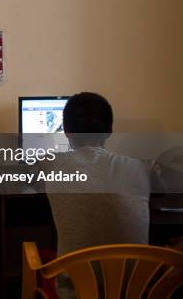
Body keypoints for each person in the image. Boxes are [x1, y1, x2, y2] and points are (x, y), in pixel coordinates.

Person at [47, 92, 151, 298]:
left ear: (66, 131)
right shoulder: (138, 168)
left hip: (77, 292)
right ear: (110, 131)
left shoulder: (50, 163)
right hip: (135, 290)